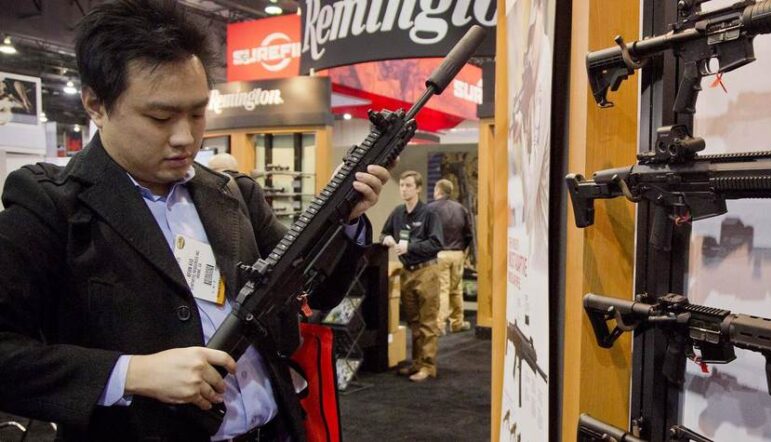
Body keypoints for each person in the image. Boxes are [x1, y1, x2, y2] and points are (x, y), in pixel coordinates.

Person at [0, 1, 389, 440]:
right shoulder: (50, 205)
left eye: (198, 113)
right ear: (96, 104)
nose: (185, 137)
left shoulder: (232, 194)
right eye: (160, 117)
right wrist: (130, 373)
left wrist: (346, 222)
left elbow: (318, 289)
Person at [380, 171, 444, 382]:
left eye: (408, 185)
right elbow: (383, 233)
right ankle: (417, 362)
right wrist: (387, 238)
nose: (404, 189)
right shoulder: (398, 212)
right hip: (407, 272)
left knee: (427, 322)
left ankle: (428, 365)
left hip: (427, 271)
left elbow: (436, 243)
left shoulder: (429, 214)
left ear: (418, 188)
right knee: (414, 322)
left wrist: (411, 246)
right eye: (402, 185)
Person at [428, 179, 473, 334]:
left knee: (442, 290)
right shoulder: (461, 209)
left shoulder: (430, 209)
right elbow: (468, 234)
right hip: (458, 254)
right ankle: (457, 323)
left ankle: (440, 325)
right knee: (456, 290)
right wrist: (463, 251)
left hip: (440, 254)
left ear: (438, 191)